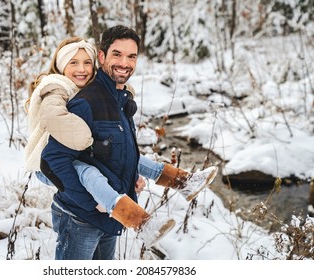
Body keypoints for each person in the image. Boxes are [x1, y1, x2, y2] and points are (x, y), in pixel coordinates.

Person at [39, 26, 218, 260]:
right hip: (80, 219)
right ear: (102, 56)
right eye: (117, 54)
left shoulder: (121, 98)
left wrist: (129, 177)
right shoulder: (86, 102)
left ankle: (183, 182)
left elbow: (111, 152)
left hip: (111, 215)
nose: (125, 63)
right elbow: (52, 161)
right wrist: (90, 202)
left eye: (131, 56)